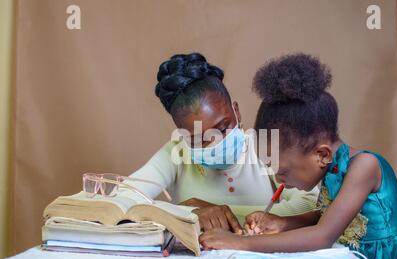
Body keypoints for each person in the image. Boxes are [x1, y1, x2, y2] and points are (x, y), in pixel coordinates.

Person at [199, 53, 397, 259]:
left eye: (283, 171)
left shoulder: (364, 167)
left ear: (321, 154)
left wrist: (238, 243)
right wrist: (282, 222)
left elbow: (323, 235)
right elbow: (330, 216)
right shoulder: (331, 167)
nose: (279, 180)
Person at [119, 52, 318, 232]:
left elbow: (312, 203)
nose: (215, 143)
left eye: (223, 128)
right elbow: (120, 201)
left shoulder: (264, 146)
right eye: (199, 140)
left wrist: (225, 213)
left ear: (236, 112)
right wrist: (186, 214)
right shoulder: (176, 153)